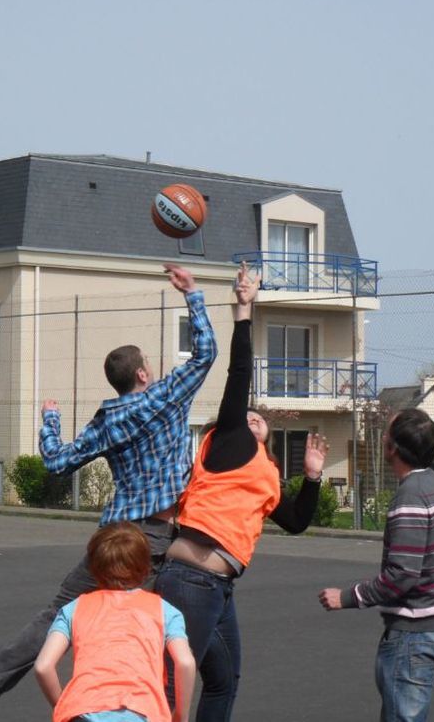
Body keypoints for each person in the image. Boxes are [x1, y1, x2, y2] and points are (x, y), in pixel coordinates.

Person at [0, 263, 216, 720]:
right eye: (149, 367)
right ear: (141, 374)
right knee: (152, 625)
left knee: (60, 613)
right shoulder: (167, 397)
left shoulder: (107, 418)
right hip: (152, 539)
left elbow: (57, 462)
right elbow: (205, 354)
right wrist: (192, 293)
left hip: (111, 536)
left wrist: (50, 420)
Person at [154, 262, 328, 722]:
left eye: (257, 417)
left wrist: (311, 477)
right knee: (170, 686)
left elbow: (296, 522)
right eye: (245, 414)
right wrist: (244, 310)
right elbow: (239, 374)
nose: (250, 416)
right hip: (192, 580)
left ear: (267, 433)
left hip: (218, 585)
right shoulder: (229, 441)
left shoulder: (266, 476)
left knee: (223, 682)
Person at [318, 409, 434, 722]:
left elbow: (401, 576)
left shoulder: (410, 498)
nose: (382, 437)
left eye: (385, 433)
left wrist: (345, 597)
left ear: (393, 448)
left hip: (414, 636)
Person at [34, 522, 196, 722]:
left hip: (83, 711)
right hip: (141, 711)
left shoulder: (74, 609)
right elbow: (185, 662)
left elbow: (43, 666)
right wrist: (180, 716)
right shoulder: (165, 611)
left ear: (93, 568)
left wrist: (64, 707)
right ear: (145, 567)